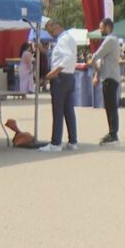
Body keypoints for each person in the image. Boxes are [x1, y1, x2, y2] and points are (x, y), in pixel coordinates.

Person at [41, 20, 78, 152]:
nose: (51, 34)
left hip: (60, 78)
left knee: (58, 111)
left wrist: (54, 72)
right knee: (69, 111)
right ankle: (73, 141)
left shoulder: (63, 40)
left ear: (56, 27)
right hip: (69, 76)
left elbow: (68, 58)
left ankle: (56, 143)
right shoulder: (70, 38)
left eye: (51, 31)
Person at [88, 18, 121, 145]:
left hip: (109, 77)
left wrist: (91, 62)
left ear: (107, 27)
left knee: (111, 107)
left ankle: (113, 134)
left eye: (101, 28)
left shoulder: (109, 40)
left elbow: (97, 55)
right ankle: (112, 132)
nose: (100, 30)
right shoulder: (113, 39)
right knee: (110, 106)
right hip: (110, 76)